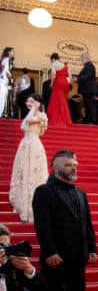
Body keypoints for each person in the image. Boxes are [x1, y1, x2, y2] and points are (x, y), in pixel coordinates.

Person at [32, 150, 98, 291]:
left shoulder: (80, 193)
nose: (74, 167)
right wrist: (50, 251)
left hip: (79, 254)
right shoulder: (45, 191)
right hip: (56, 256)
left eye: (75, 164)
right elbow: (42, 225)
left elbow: (87, 223)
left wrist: (92, 247)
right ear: (56, 167)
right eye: (69, 165)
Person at [9, 93, 49, 224]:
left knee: (33, 173)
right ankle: (22, 203)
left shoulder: (41, 115)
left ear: (38, 103)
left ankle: (32, 208)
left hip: (34, 145)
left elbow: (29, 121)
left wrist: (34, 108)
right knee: (23, 172)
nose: (28, 103)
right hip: (25, 144)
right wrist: (32, 108)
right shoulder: (30, 113)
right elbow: (24, 125)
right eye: (27, 101)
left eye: (31, 101)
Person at [75, 52, 97, 124]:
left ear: (87, 58)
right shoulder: (87, 66)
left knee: (90, 106)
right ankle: (88, 121)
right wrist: (76, 79)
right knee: (87, 107)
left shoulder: (90, 66)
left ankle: (92, 121)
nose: (81, 59)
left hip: (89, 90)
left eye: (82, 58)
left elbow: (87, 76)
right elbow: (83, 77)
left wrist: (77, 79)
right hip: (87, 90)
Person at [0, 47, 15, 118]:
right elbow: (6, 71)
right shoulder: (7, 59)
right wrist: (11, 78)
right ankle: (3, 114)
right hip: (4, 81)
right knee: (4, 97)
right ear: (8, 52)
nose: (14, 53)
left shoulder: (3, 59)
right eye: (12, 51)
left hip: (2, 80)